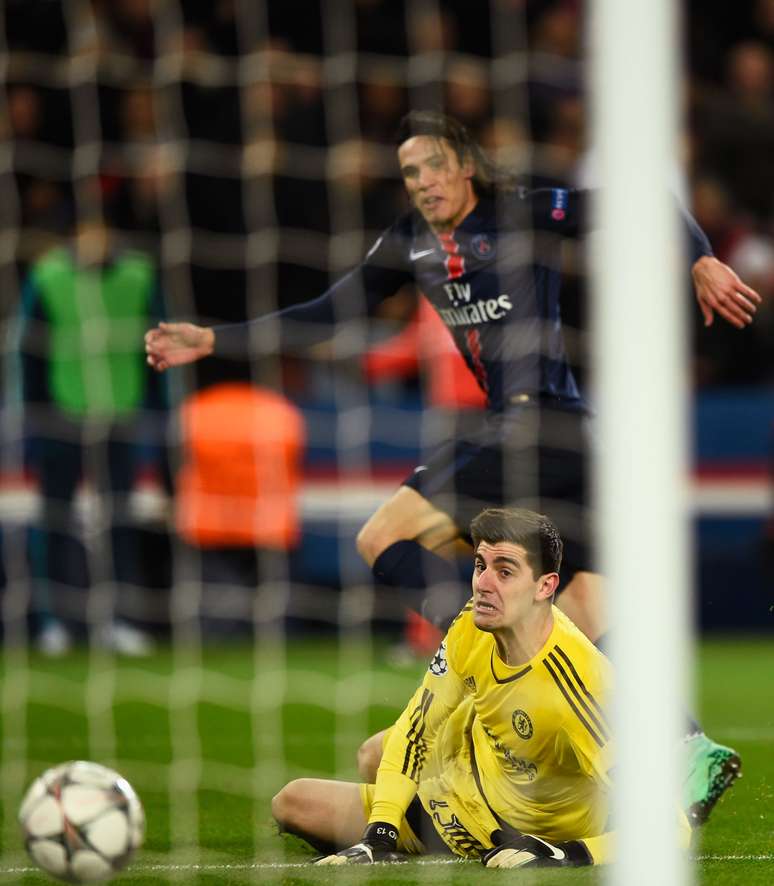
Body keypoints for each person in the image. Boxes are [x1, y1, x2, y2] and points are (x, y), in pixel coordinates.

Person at [145, 110, 756, 818]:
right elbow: (329, 311)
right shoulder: (410, 242)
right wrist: (215, 339)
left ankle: (487, 654)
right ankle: (690, 748)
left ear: (466, 165)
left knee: (384, 537)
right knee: (581, 612)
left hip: (537, 422)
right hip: (558, 443)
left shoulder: (524, 211)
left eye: (434, 165)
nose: (424, 183)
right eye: (409, 172)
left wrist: (701, 256)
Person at [273, 506, 653, 867]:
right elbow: (416, 729)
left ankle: (427, 832)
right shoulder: (472, 622)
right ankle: (399, 830)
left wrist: (570, 854)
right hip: (464, 781)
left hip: (517, 827)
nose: (484, 584)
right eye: (479, 565)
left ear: (545, 586)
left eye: (505, 572)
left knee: (355, 772)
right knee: (306, 792)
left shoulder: (583, 686)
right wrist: (380, 834)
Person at [20, 210, 166, 655]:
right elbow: (28, 350)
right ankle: (52, 624)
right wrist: (33, 420)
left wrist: (159, 415)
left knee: (119, 523)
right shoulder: (47, 277)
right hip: (61, 416)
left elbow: (160, 346)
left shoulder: (139, 276)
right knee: (55, 521)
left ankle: (118, 621)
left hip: (120, 414)